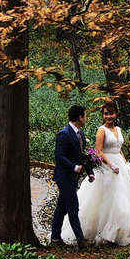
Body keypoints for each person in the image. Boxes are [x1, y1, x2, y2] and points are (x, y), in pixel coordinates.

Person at [61, 101, 130, 246]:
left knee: (124, 199)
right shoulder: (101, 130)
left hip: (120, 166)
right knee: (108, 200)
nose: (108, 116)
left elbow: (119, 149)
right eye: (105, 113)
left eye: (111, 113)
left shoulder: (118, 129)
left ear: (116, 114)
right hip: (106, 167)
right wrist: (111, 164)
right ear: (103, 115)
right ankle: (103, 232)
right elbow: (99, 151)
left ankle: (120, 232)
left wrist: (127, 165)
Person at [51, 105, 89, 249]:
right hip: (64, 177)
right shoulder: (64, 134)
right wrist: (73, 166)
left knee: (61, 207)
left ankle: (55, 237)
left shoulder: (81, 134)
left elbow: (83, 156)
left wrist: (89, 172)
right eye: (85, 115)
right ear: (79, 117)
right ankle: (81, 241)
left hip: (73, 177)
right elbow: (59, 156)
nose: (86, 118)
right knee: (73, 206)